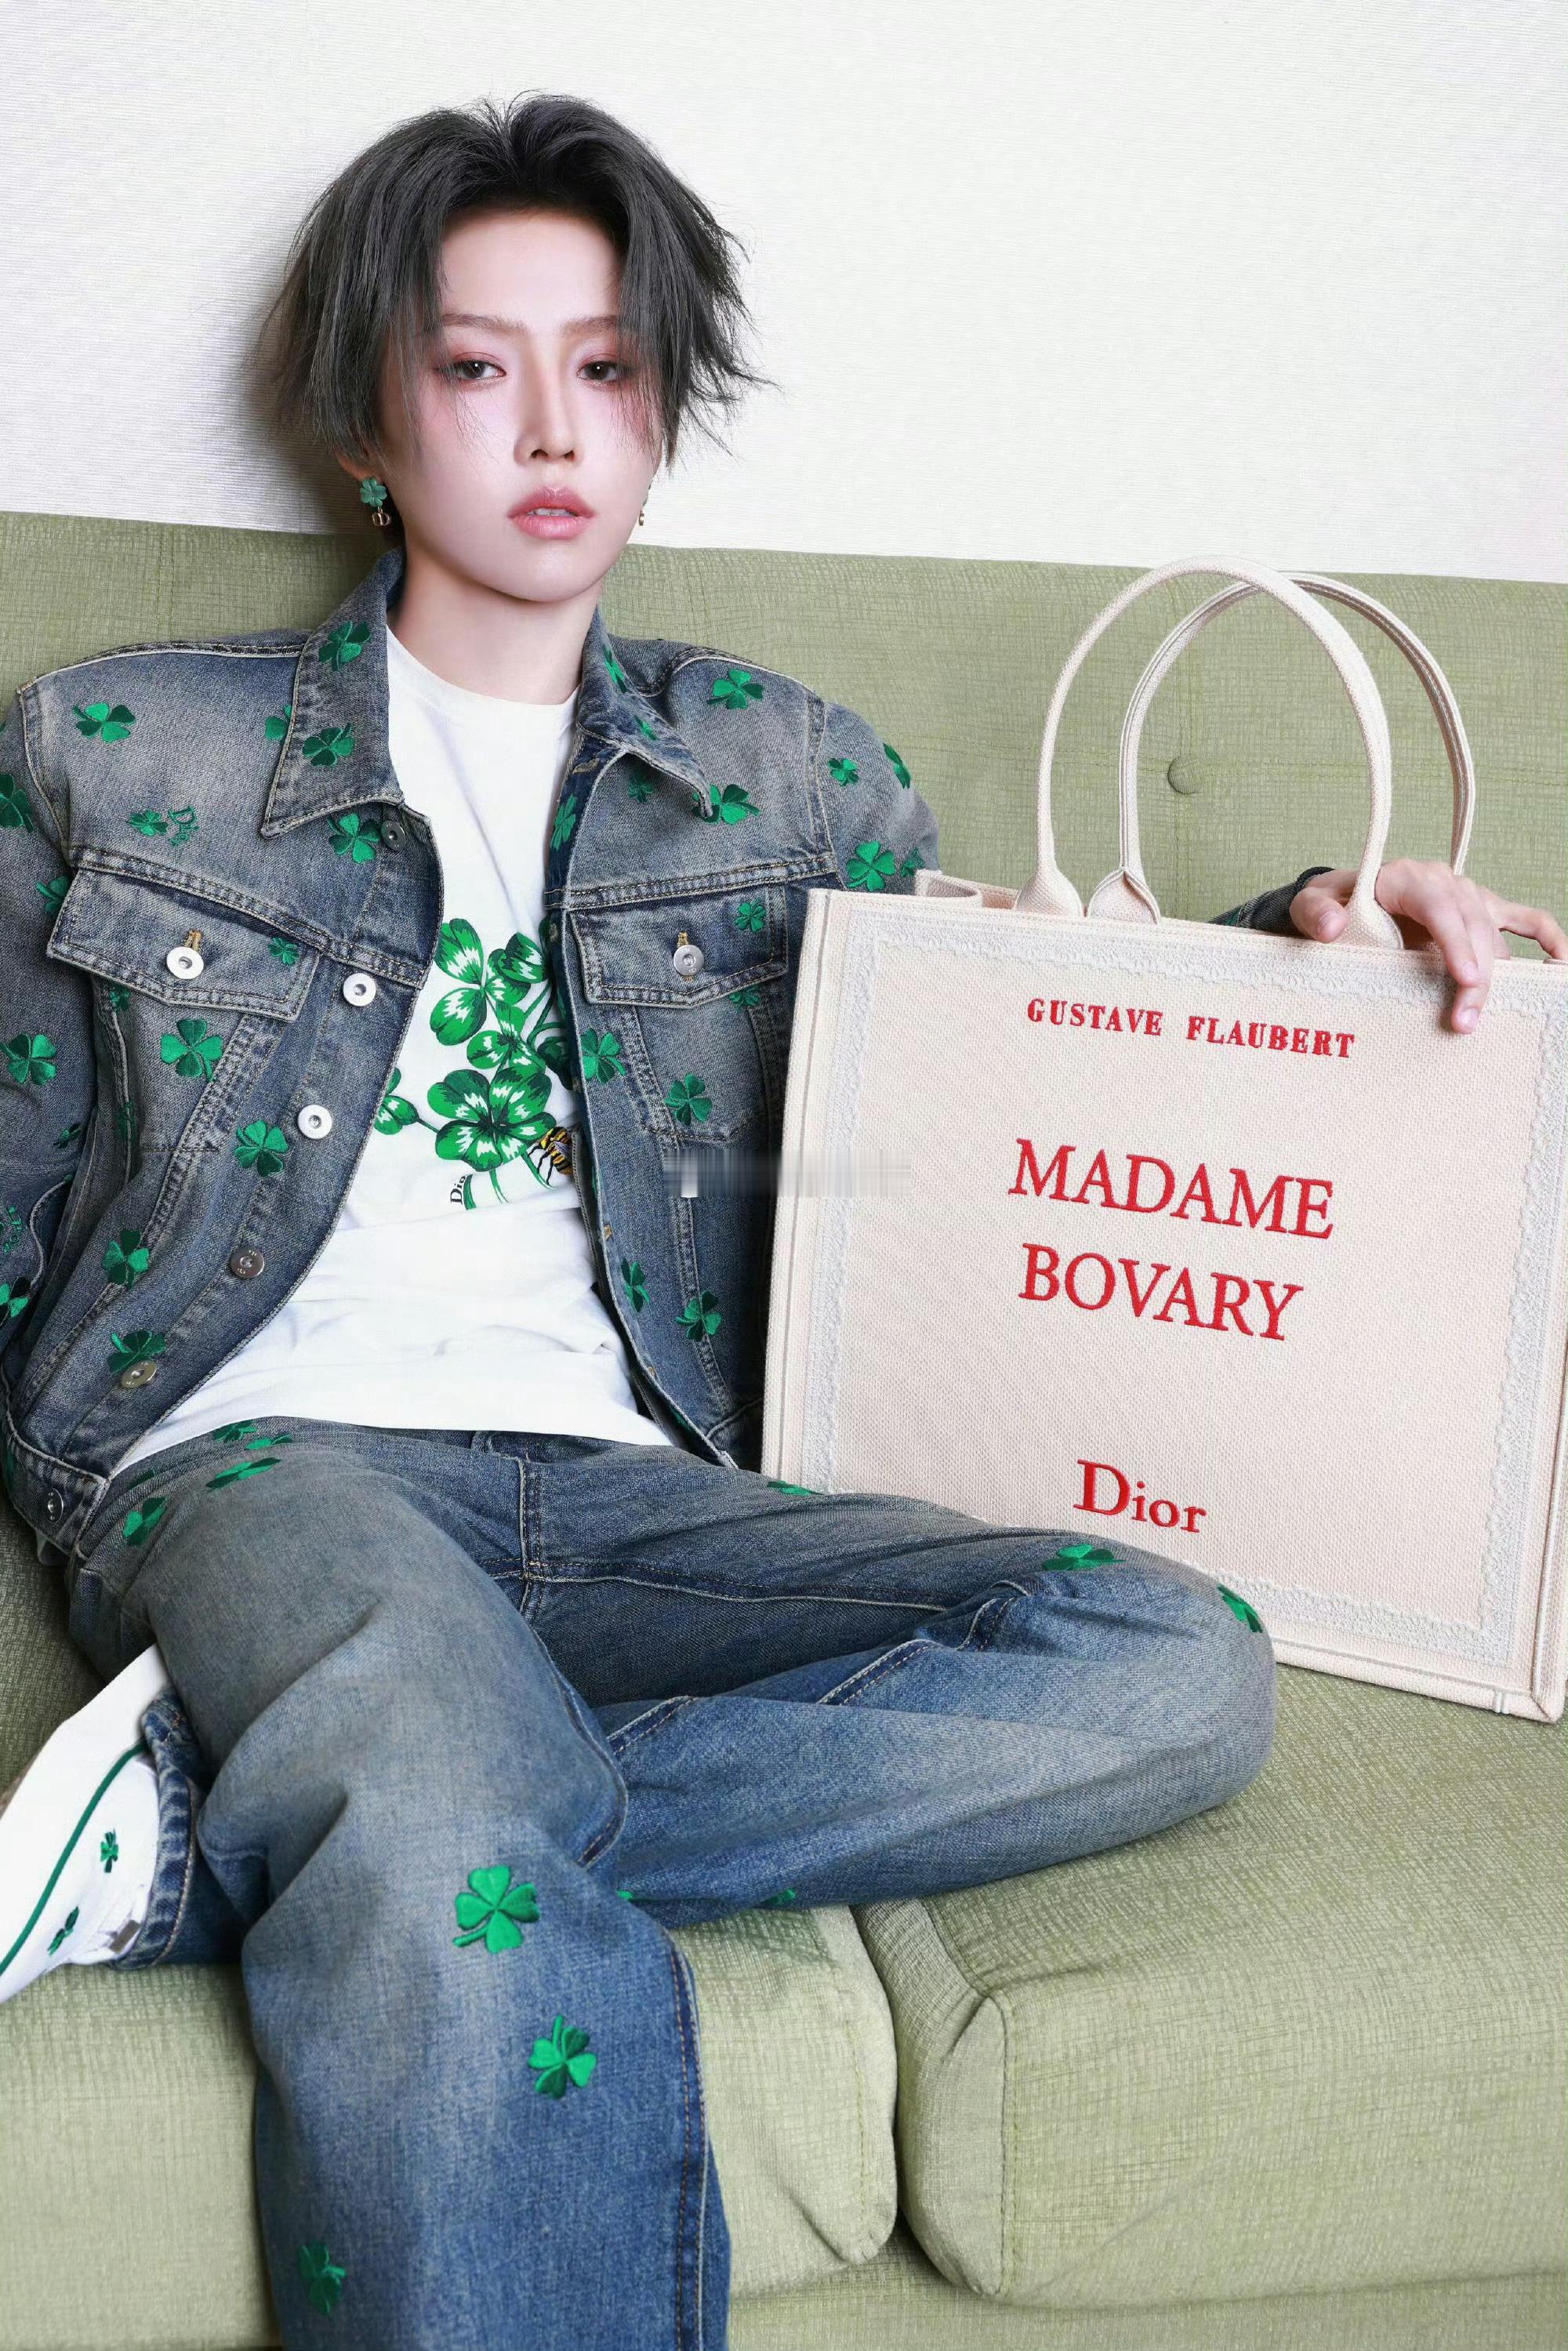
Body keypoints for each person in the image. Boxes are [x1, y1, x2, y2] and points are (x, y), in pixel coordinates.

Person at [1, 91, 1560, 2351]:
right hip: (272, 1467)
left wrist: (1311, 943)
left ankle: (229, 1842)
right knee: (435, 1795)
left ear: (661, 415)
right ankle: (386, 1799)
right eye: (475, 366)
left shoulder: (791, 773)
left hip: (658, 1497)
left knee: (1178, 1667)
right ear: (365, 424)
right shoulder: (120, 751)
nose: (554, 427)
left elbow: (1014, 1075)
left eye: (610, 367)